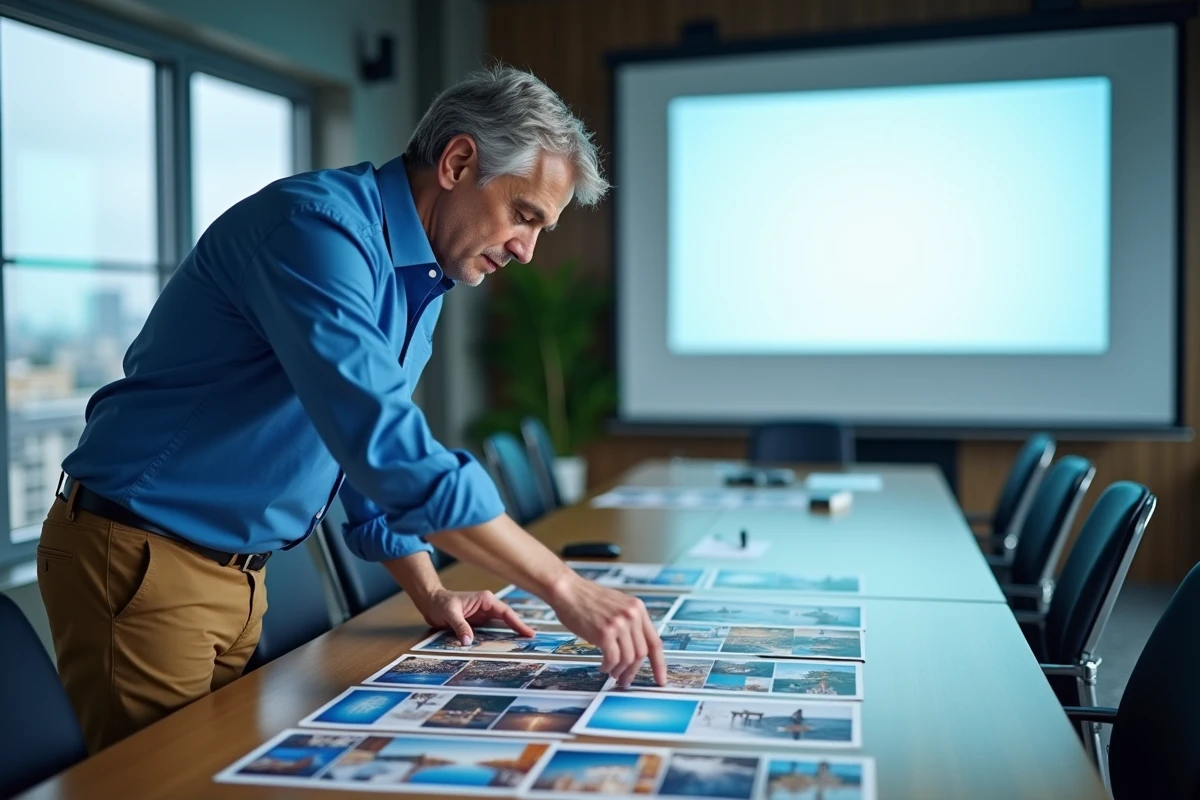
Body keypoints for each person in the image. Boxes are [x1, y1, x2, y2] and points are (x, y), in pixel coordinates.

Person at [36, 65, 666, 754]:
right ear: (458, 161)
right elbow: (387, 448)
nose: (526, 249)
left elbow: (354, 453)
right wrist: (566, 588)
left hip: (237, 574)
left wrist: (430, 593)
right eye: (524, 215)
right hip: (144, 555)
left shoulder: (420, 277)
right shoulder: (317, 232)